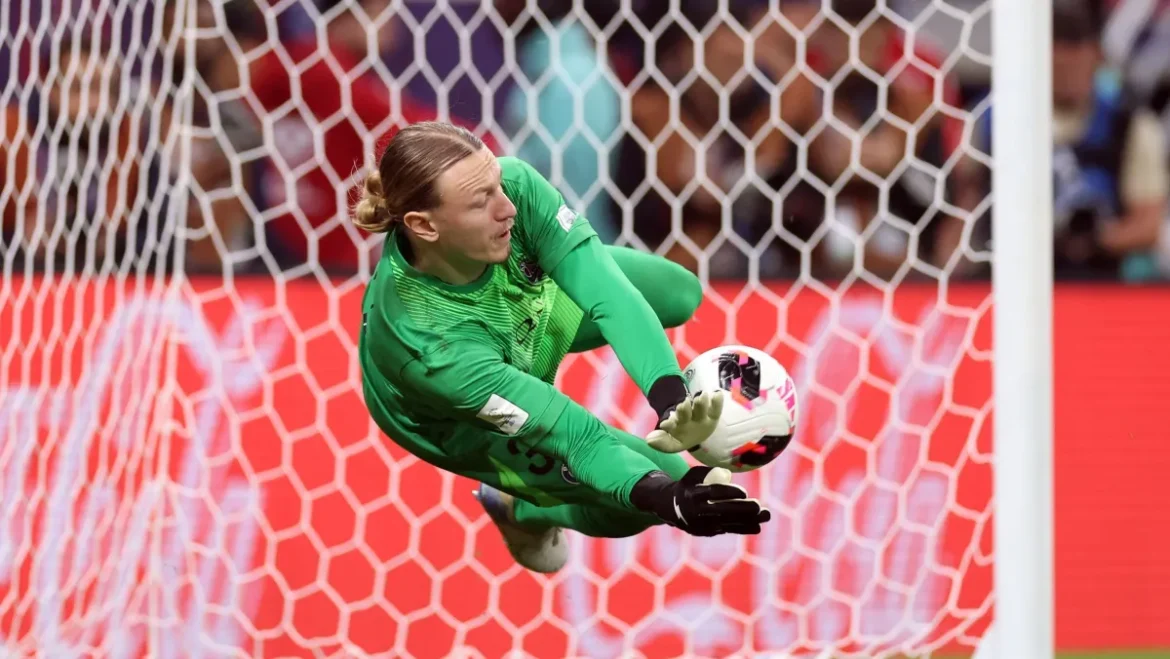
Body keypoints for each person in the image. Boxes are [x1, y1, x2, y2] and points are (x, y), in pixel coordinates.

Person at [354, 122, 771, 573]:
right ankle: (522, 512)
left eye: (497, 183)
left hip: (524, 311)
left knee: (677, 293)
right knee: (646, 493)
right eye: (480, 201)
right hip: (459, 419)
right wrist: (666, 497)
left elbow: (609, 295)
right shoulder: (427, 349)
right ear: (423, 225)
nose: (507, 207)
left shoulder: (513, 186)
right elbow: (575, 436)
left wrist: (671, 400)